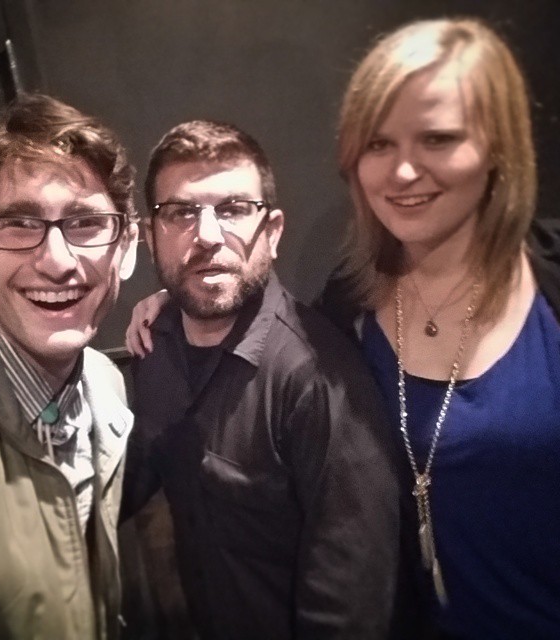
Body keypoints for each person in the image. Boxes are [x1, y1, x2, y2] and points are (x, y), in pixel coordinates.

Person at [126, 17, 560, 639]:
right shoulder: (351, 303)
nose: (404, 171)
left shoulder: (549, 288)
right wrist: (172, 299)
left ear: (498, 150)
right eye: (379, 144)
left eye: (437, 138)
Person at [119, 120, 401, 639]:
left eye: (232, 210)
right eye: (181, 212)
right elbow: (144, 470)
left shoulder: (319, 380)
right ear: (150, 234)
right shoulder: (152, 343)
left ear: (270, 233)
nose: (206, 236)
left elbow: (350, 602)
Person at [0, 94, 139, 639]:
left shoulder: (105, 386)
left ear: (127, 248)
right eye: (19, 223)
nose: (58, 260)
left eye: (86, 223)